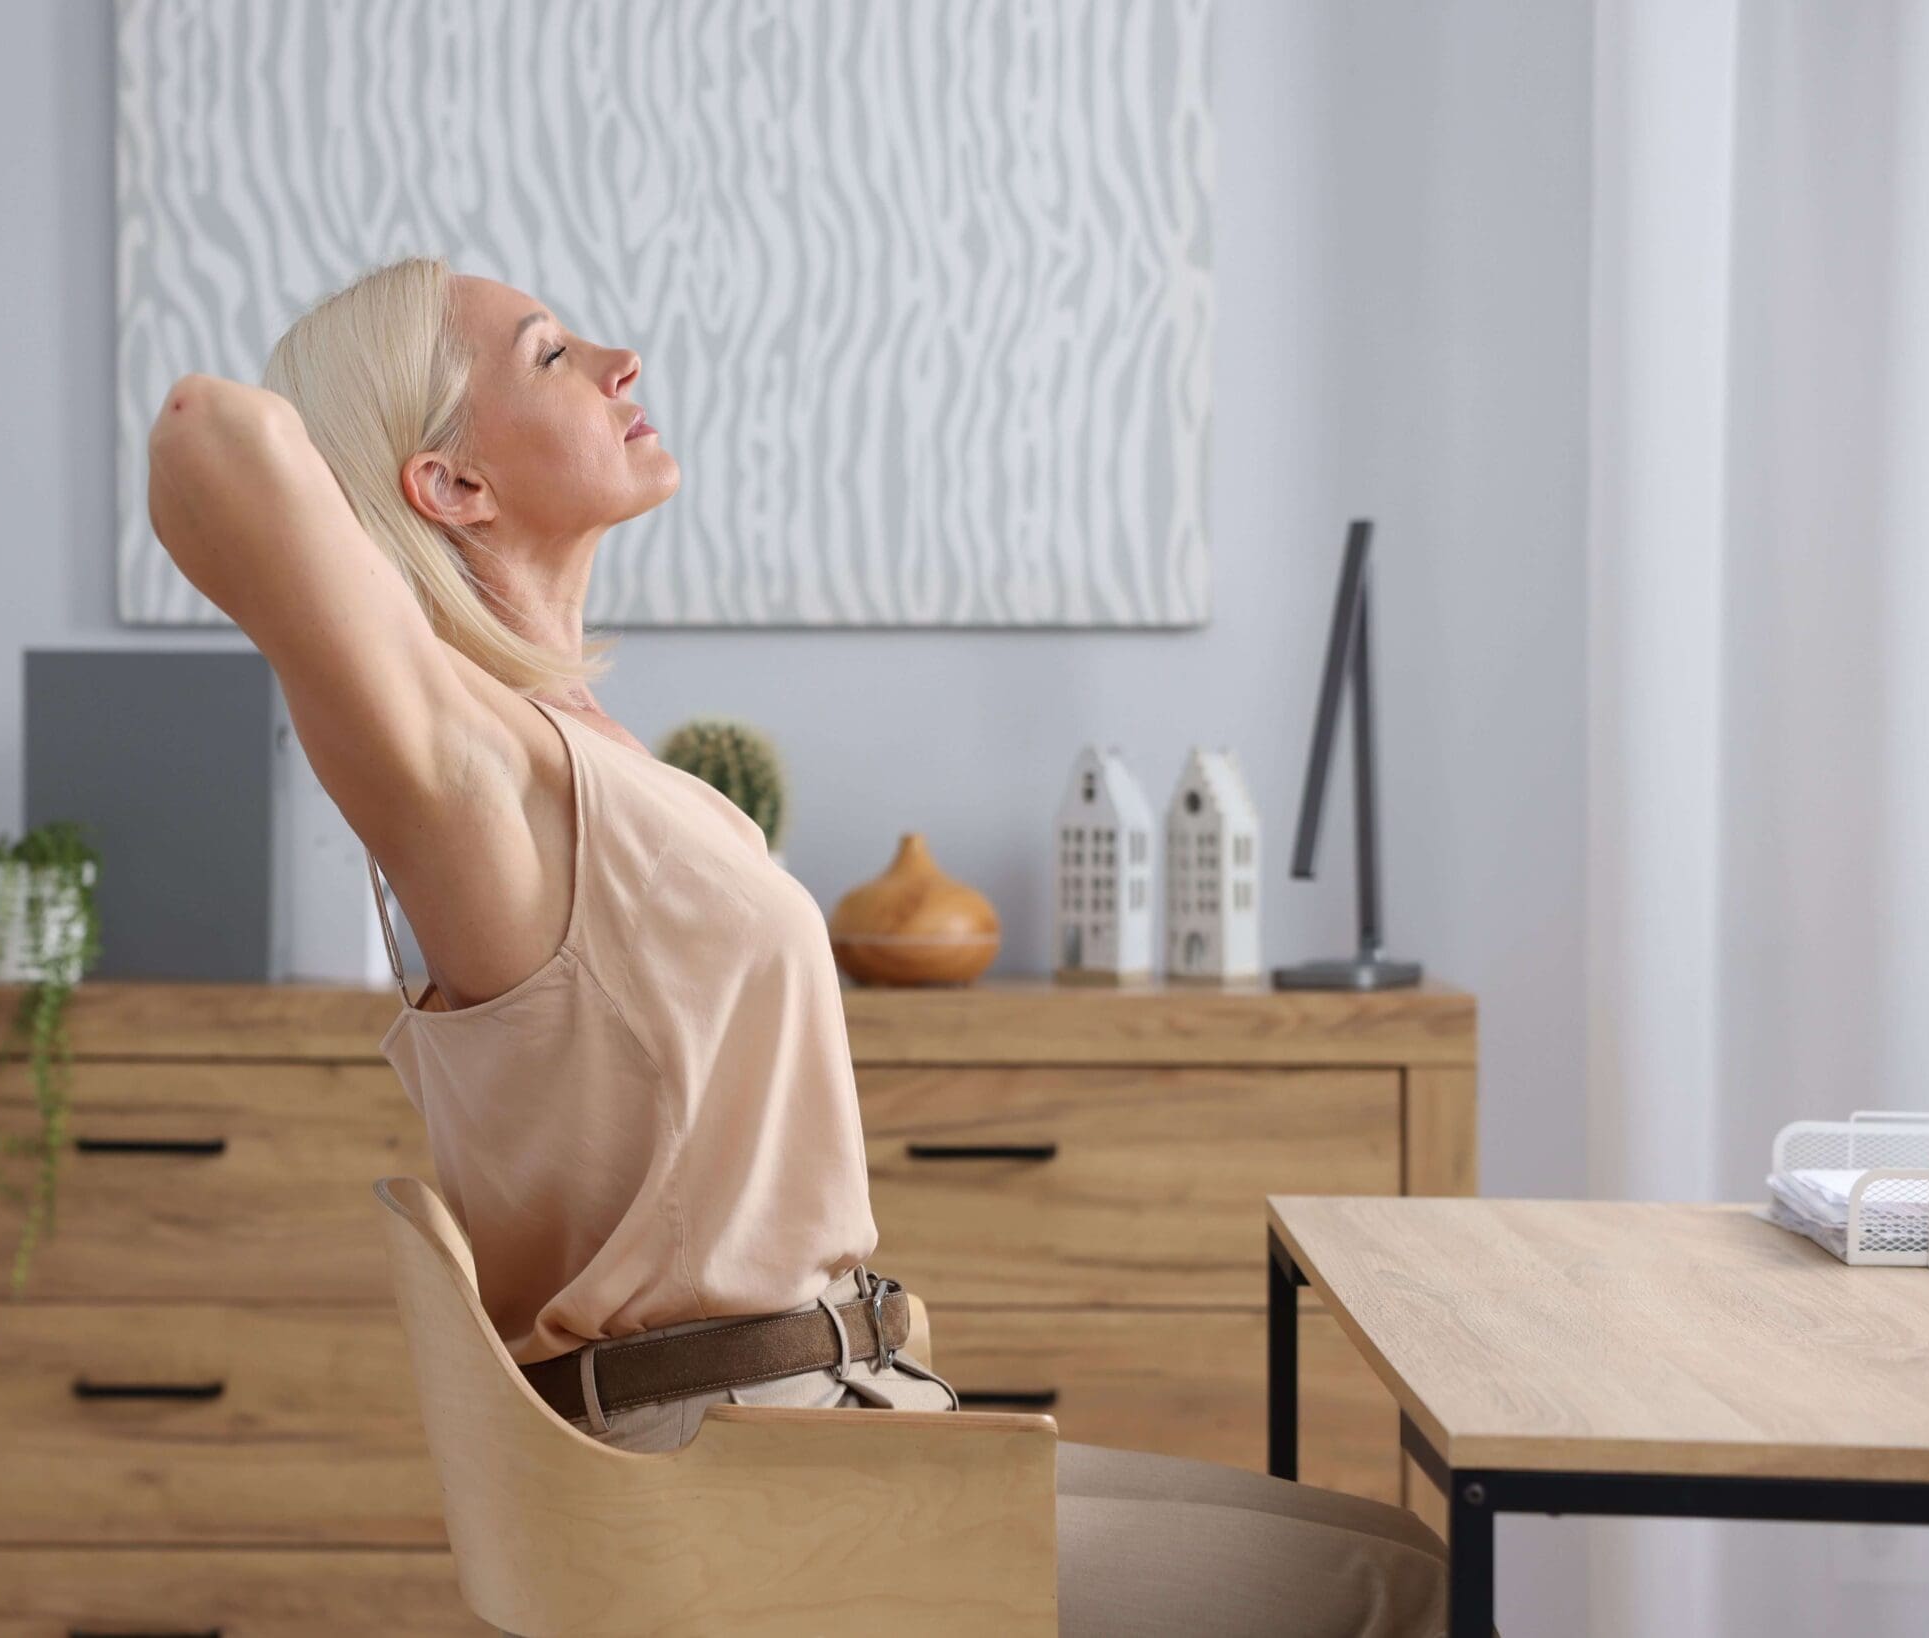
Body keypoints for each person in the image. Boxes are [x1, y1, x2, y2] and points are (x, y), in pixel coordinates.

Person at [143, 255, 1448, 1637]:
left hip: (824, 1420)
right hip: (730, 1478)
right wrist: (386, 595)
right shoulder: (474, 777)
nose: (619, 359)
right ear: (453, 482)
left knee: (1395, 1544)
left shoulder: (578, 749)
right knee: (1404, 1592)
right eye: (547, 355)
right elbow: (203, 430)